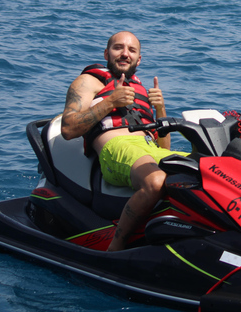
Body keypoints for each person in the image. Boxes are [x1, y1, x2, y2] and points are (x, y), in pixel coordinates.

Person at [60, 31, 175, 251]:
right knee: (156, 181)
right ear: (106, 53)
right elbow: (68, 128)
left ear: (138, 59)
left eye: (131, 50)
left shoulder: (141, 89)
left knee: (206, 172)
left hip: (147, 149)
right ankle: (116, 246)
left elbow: (163, 149)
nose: (125, 54)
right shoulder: (89, 82)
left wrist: (160, 110)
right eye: (118, 48)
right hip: (116, 149)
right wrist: (110, 101)